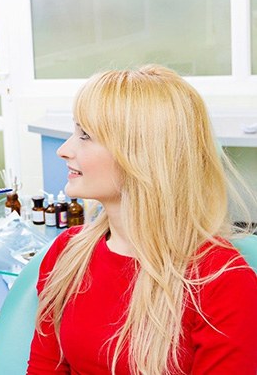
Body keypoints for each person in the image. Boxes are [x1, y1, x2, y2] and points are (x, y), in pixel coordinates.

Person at [27, 65, 257, 374]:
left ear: (141, 155)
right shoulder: (68, 253)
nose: (65, 150)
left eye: (85, 135)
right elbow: (45, 366)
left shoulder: (222, 281)